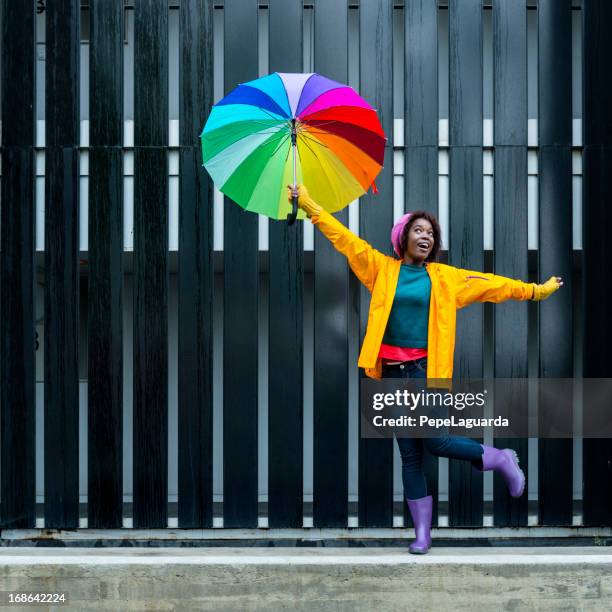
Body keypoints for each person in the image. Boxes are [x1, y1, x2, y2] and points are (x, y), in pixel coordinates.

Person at [288, 183, 562, 554]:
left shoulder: (445, 278)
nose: (426, 236)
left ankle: (498, 458)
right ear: (401, 237)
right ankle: (422, 534)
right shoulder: (381, 270)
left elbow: (490, 285)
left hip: (423, 371)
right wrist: (308, 204)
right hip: (391, 375)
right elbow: (344, 238)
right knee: (410, 456)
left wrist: (534, 291)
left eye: (431, 233)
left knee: (435, 440)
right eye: (419, 230)